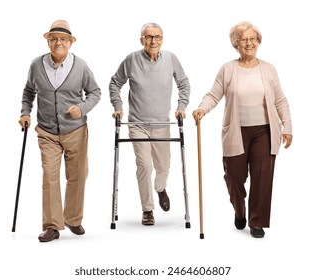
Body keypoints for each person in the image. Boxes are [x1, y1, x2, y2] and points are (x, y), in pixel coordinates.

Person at [192, 21, 292, 238]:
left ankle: (257, 222)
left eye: (253, 39)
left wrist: (287, 126)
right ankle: (240, 210)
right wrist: (202, 109)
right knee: (233, 177)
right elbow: (214, 95)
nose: (249, 43)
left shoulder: (269, 69)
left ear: (258, 41)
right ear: (236, 44)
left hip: (265, 131)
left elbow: (281, 100)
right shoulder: (228, 69)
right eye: (244, 39)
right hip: (236, 131)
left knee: (262, 176)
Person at [19, 20, 101, 242]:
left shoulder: (81, 66)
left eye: (63, 39)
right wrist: (25, 113)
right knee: (50, 176)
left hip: (76, 130)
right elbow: (28, 91)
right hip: (46, 131)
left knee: (77, 175)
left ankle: (73, 219)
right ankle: (52, 225)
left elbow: (94, 92)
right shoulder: (36, 65)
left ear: (70, 43)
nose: (58, 43)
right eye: (53, 38)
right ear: (48, 41)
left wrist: (82, 108)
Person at [109, 23, 191, 226]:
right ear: (141, 40)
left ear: (162, 39)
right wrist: (118, 106)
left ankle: (160, 188)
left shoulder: (171, 59)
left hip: (163, 123)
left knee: (163, 167)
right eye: (148, 37)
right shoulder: (131, 60)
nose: (153, 41)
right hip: (138, 124)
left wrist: (182, 106)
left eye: (157, 37)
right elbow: (114, 83)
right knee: (144, 165)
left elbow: (184, 83)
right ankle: (147, 209)